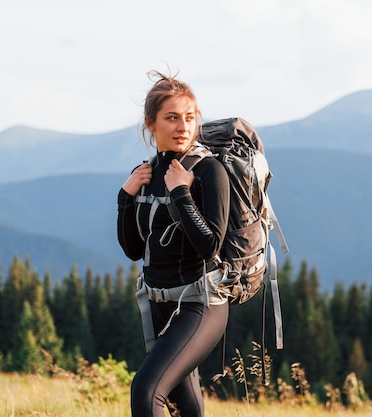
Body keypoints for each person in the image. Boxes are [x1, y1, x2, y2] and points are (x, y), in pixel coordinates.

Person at [117, 70, 231, 417]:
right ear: (150, 124)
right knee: (185, 407)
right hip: (159, 305)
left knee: (146, 390)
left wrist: (181, 192)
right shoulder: (147, 174)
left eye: (189, 117)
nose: (183, 126)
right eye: (172, 118)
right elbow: (134, 250)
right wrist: (125, 197)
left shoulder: (209, 171)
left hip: (201, 304)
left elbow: (209, 244)